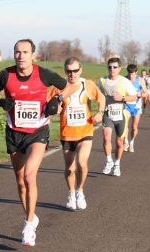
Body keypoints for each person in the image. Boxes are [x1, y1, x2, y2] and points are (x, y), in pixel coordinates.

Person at [0, 39, 77, 247]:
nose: (21, 56)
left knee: (29, 176)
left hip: (38, 131)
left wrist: (57, 99)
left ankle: (28, 226)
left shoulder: (43, 73)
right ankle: (32, 216)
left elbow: (71, 85)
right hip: (14, 132)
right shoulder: (5, 75)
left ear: (33, 55)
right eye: (17, 52)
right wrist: (0, 103)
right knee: (20, 182)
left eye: (25, 52)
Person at [48, 57, 105, 210]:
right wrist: (55, 108)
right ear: (65, 71)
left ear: (80, 70)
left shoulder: (88, 85)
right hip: (67, 134)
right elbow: (48, 105)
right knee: (69, 168)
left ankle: (80, 191)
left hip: (85, 131)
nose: (72, 74)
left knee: (82, 163)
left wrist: (100, 112)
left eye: (75, 70)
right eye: (69, 71)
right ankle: (71, 193)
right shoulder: (59, 87)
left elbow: (102, 98)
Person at [98, 57, 137, 176]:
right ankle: (109, 161)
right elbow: (99, 96)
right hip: (108, 114)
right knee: (106, 138)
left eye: (115, 67)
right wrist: (99, 111)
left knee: (119, 142)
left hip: (121, 115)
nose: (112, 69)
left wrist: (123, 98)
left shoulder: (124, 82)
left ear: (119, 68)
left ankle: (117, 164)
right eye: (110, 67)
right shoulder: (102, 80)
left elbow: (134, 97)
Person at [123, 64, 147, 153]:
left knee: (134, 126)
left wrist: (140, 94)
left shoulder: (140, 80)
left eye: (132, 74)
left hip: (136, 106)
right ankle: (125, 142)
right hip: (126, 106)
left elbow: (146, 93)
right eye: (129, 73)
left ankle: (132, 142)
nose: (130, 76)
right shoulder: (124, 80)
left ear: (136, 72)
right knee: (124, 124)